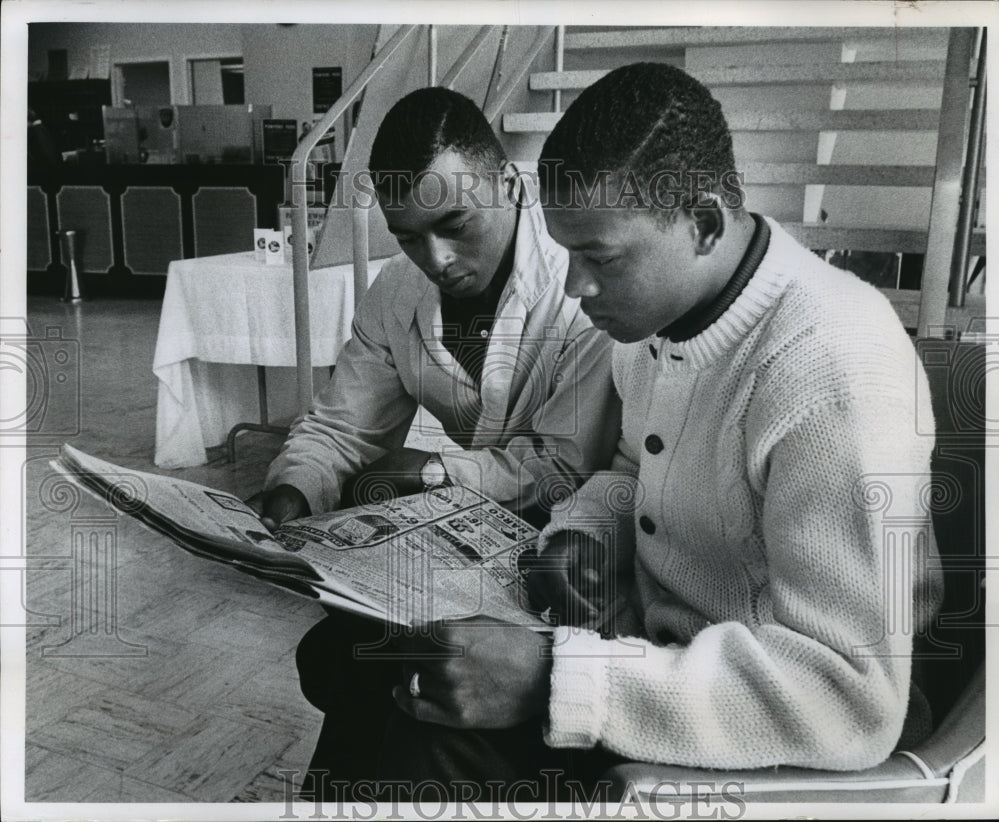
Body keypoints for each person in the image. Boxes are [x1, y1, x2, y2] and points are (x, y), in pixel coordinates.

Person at [369, 62, 943, 798]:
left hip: (787, 747)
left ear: (702, 223)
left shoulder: (832, 365)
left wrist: (555, 680)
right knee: (393, 667)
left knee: (431, 742)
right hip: (657, 666)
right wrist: (582, 533)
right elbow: (630, 468)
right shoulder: (651, 328)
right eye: (565, 253)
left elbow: (850, 696)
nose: (574, 288)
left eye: (597, 257)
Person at [247, 87, 620, 798]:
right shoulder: (396, 292)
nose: (437, 258)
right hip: (460, 548)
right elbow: (338, 425)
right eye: (410, 235)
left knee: (368, 670)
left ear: (510, 184)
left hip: (568, 561)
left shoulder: (584, 285)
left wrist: (432, 473)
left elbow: (566, 470)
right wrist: (292, 493)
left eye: (454, 223)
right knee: (345, 658)